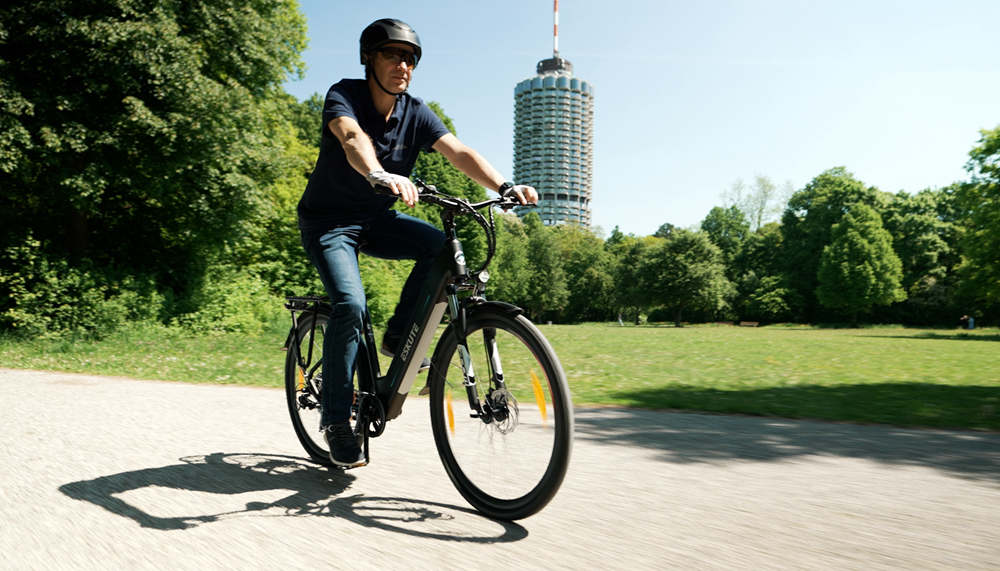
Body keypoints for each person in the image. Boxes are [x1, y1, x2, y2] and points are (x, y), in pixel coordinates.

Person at [297, 18, 538, 468]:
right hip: (328, 223)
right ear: (369, 57)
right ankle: (335, 422)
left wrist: (504, 186)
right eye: (392, 55)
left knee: (438, 249)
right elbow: (351, 138)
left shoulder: (416, 111)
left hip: (375, 220)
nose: (403, 65)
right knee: (350, 304)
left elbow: (459, 152)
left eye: (410, 59)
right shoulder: (343, 94)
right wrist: (377, 173)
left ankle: (397, 340)